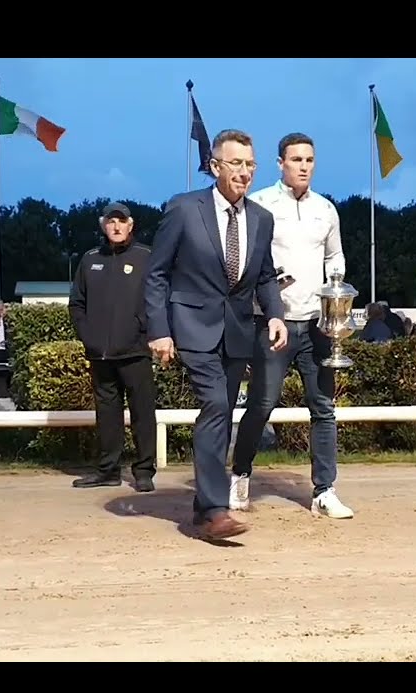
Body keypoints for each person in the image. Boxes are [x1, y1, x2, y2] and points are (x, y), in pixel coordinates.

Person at [144, 129, 287, 541]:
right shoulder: (184, 209)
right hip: (191, 327)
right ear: (214, 166)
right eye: (236, 163)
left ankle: (201, 507)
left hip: (237, 332)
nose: (244, 172)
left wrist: (275, 315)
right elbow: (156, 275)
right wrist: (159, 330)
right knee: (215, 408)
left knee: (220, 416)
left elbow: (263, 276)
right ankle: (214, 510)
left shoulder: (262, 218)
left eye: (250, 164)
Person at [229, 132, 354, 520]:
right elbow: (250, 259)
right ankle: (240, 475)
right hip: (273, 325)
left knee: (324, 408)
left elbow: (335, 256)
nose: (304, 166)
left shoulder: (326, 210)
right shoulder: (261, 204)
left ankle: (324, 491)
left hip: (318, 326)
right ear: (280, 163)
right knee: (262, 405)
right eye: (296, 159)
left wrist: (334, 285)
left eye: (309, 160)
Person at [67, 201, 157, 493]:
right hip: (100, 354)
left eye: (121, 221)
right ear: (103, 225)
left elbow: (159, 298)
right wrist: (88, 336)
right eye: (110, 221)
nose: (116, 226)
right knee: (107, 415)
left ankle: (144, 471)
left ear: (131, 225)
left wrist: (147, 331)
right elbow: (76, 304)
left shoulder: (146, 256)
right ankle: (108, 470)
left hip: (135, 351)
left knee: (143, 413)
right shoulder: (90, 259)